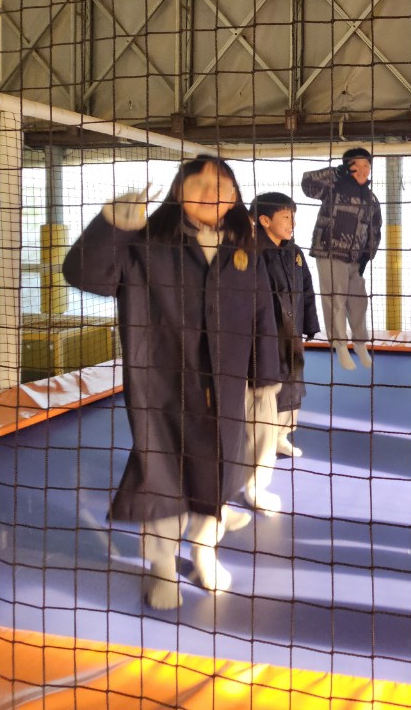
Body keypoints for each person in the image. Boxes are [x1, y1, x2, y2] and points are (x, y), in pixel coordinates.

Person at [62, 156, 281, 610]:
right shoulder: (147, 244)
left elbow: (263, 314)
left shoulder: (245, 251)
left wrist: (264, 375)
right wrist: (111, 227)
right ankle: (162, 566)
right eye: (199, 183)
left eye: (222, 184)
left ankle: (204, 551)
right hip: (163, 387)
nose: (211, 191)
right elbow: (85, 275)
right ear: (178, 191)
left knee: (220, 471)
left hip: (226, 388)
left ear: (234, 198)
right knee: (163, 476)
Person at [251, 191, 320, 466]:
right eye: (286, 217)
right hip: (264, 336)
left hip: (291, 334)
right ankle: (262, 442)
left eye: (293, 217)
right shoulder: (252, 253)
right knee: (267, 387)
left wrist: (310, 323)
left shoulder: (295, 252)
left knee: (292, 384)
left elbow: (307, 289)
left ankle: (281, 436)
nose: (292, 223)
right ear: (265, 220)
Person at [302, 148, 382, 371]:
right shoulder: (332, 188)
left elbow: (375, 229)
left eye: (367, 166)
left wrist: (368, 255)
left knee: (359, 301)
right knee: (335, 299)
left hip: (355, 258)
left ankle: (360, 343)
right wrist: (334, 173)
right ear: (348, 167)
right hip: (330, 253)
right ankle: (339, 345)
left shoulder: (371, 199)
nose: (363, 170)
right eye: (358, 165)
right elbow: (308, 184)